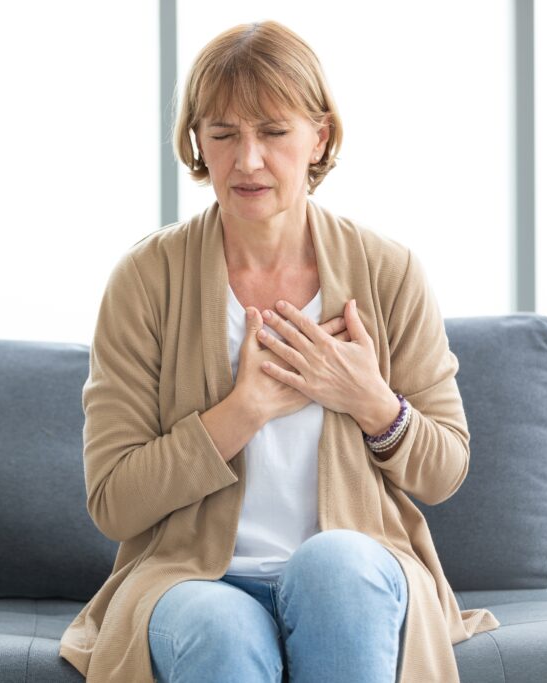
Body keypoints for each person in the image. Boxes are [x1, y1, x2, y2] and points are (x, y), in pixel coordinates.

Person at [58, 19, 499, 683]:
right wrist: (240, 412)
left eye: (273, 131)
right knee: (219, 628)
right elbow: (114, 501)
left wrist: (370, 400)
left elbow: (445, 469)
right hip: (192, 578)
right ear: (197, 141)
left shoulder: (388, 270)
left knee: (333, 567)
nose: (248, 160)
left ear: (319, 135)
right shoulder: (147, 279)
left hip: (358, 566)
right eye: (224, 133)